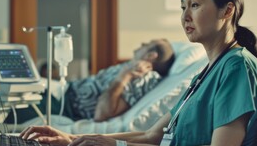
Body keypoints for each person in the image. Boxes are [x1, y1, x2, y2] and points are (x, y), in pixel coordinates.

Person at [20, 0, 257, 146]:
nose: (185, 16)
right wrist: (74, 140)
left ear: (227, 10)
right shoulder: (207, 73)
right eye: (183, 6)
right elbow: (153, 135)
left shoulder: (237, 68)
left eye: (195, 5)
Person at [14, 39, 175, 123]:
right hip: (62, 92)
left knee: (11, 103)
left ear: (151, 56)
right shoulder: (132, 67)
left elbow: (101, 115)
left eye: (147, 45)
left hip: (64, 106)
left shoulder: (143, 77)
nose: (141, 45)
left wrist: (123, 75)